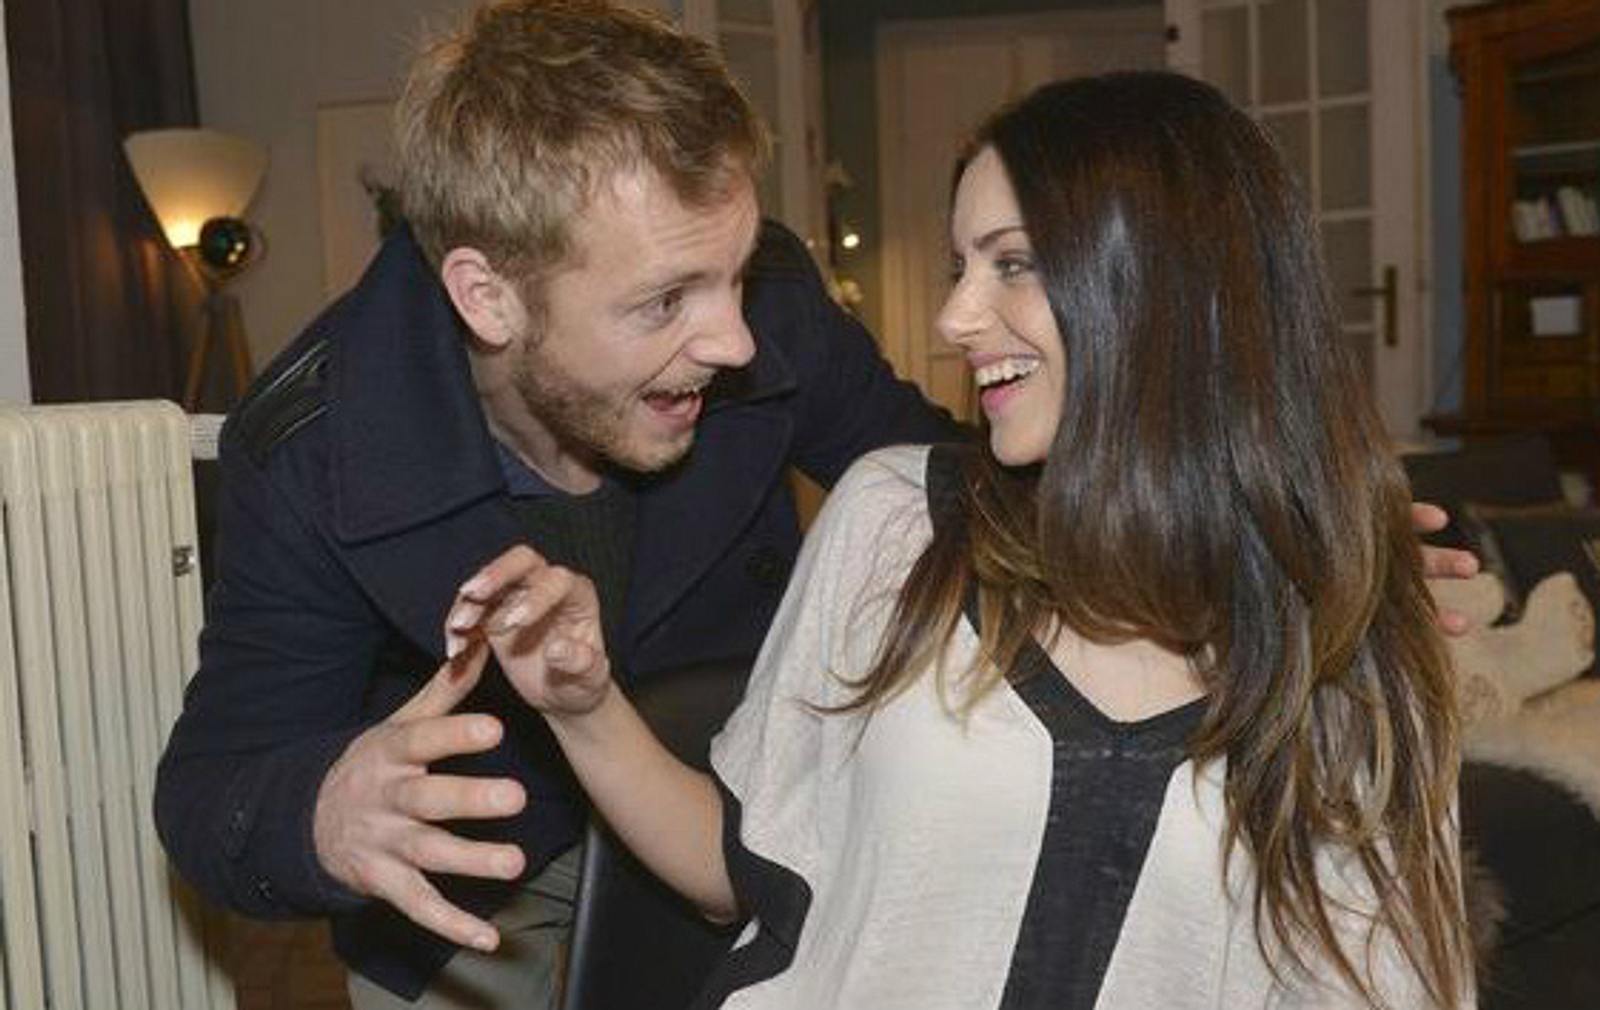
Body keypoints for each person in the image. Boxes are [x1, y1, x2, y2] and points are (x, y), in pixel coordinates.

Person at [453, 71, 1477, 1008]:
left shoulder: (1350, 650)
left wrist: (1337, 573)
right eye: (962, 265)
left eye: (1012, 263)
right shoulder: (896, 521)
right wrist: (582, 708)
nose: (953, 316)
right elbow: (739, 870)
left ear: (1167, 283)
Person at [153, 2, 961, 1007]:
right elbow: (212, 787)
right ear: (488, 297)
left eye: (736, 273)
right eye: (664, 301)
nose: (736, 341)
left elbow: (953, 494)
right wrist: (322, 812)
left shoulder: (773, 308)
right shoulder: (314, 449)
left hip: (727, 787)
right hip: (481, 866)